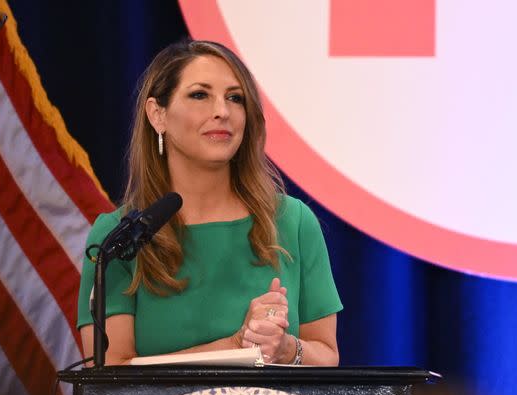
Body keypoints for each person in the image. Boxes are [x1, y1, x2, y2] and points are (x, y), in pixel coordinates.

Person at [77, 40, 342, 366]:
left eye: (235, 98)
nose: (223, 111)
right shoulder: (117, 238)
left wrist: (286, 349)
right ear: (157, 114)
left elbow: (327, 356)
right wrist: (236, 345)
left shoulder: (292, 221)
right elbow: (108, 376)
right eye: (200, 95)